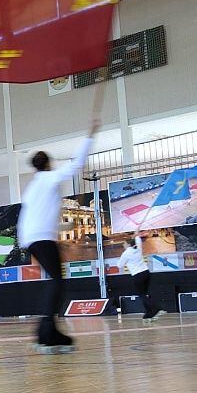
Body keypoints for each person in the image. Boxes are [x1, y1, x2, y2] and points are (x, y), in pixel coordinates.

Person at [17, 116, 99, 353]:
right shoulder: (48, 178)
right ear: (49, 164)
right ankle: (46, 331)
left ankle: (48, 329)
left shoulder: (33, 188)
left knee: (55, 280)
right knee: (58, 281)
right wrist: (90, 135)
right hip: (41, 237)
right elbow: (76, 165)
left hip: (32, 237)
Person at [116, 233, 161, 321]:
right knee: (144, 294)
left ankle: (155, 308)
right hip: (146, 273)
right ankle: (149, 313)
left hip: (138, 275)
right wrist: (136, 234)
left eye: (124, 243)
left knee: (142, 295)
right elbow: (138, 239)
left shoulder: (126, 253)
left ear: (128, 244)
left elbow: (119, 265)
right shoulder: (138, 248)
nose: (123, 245)